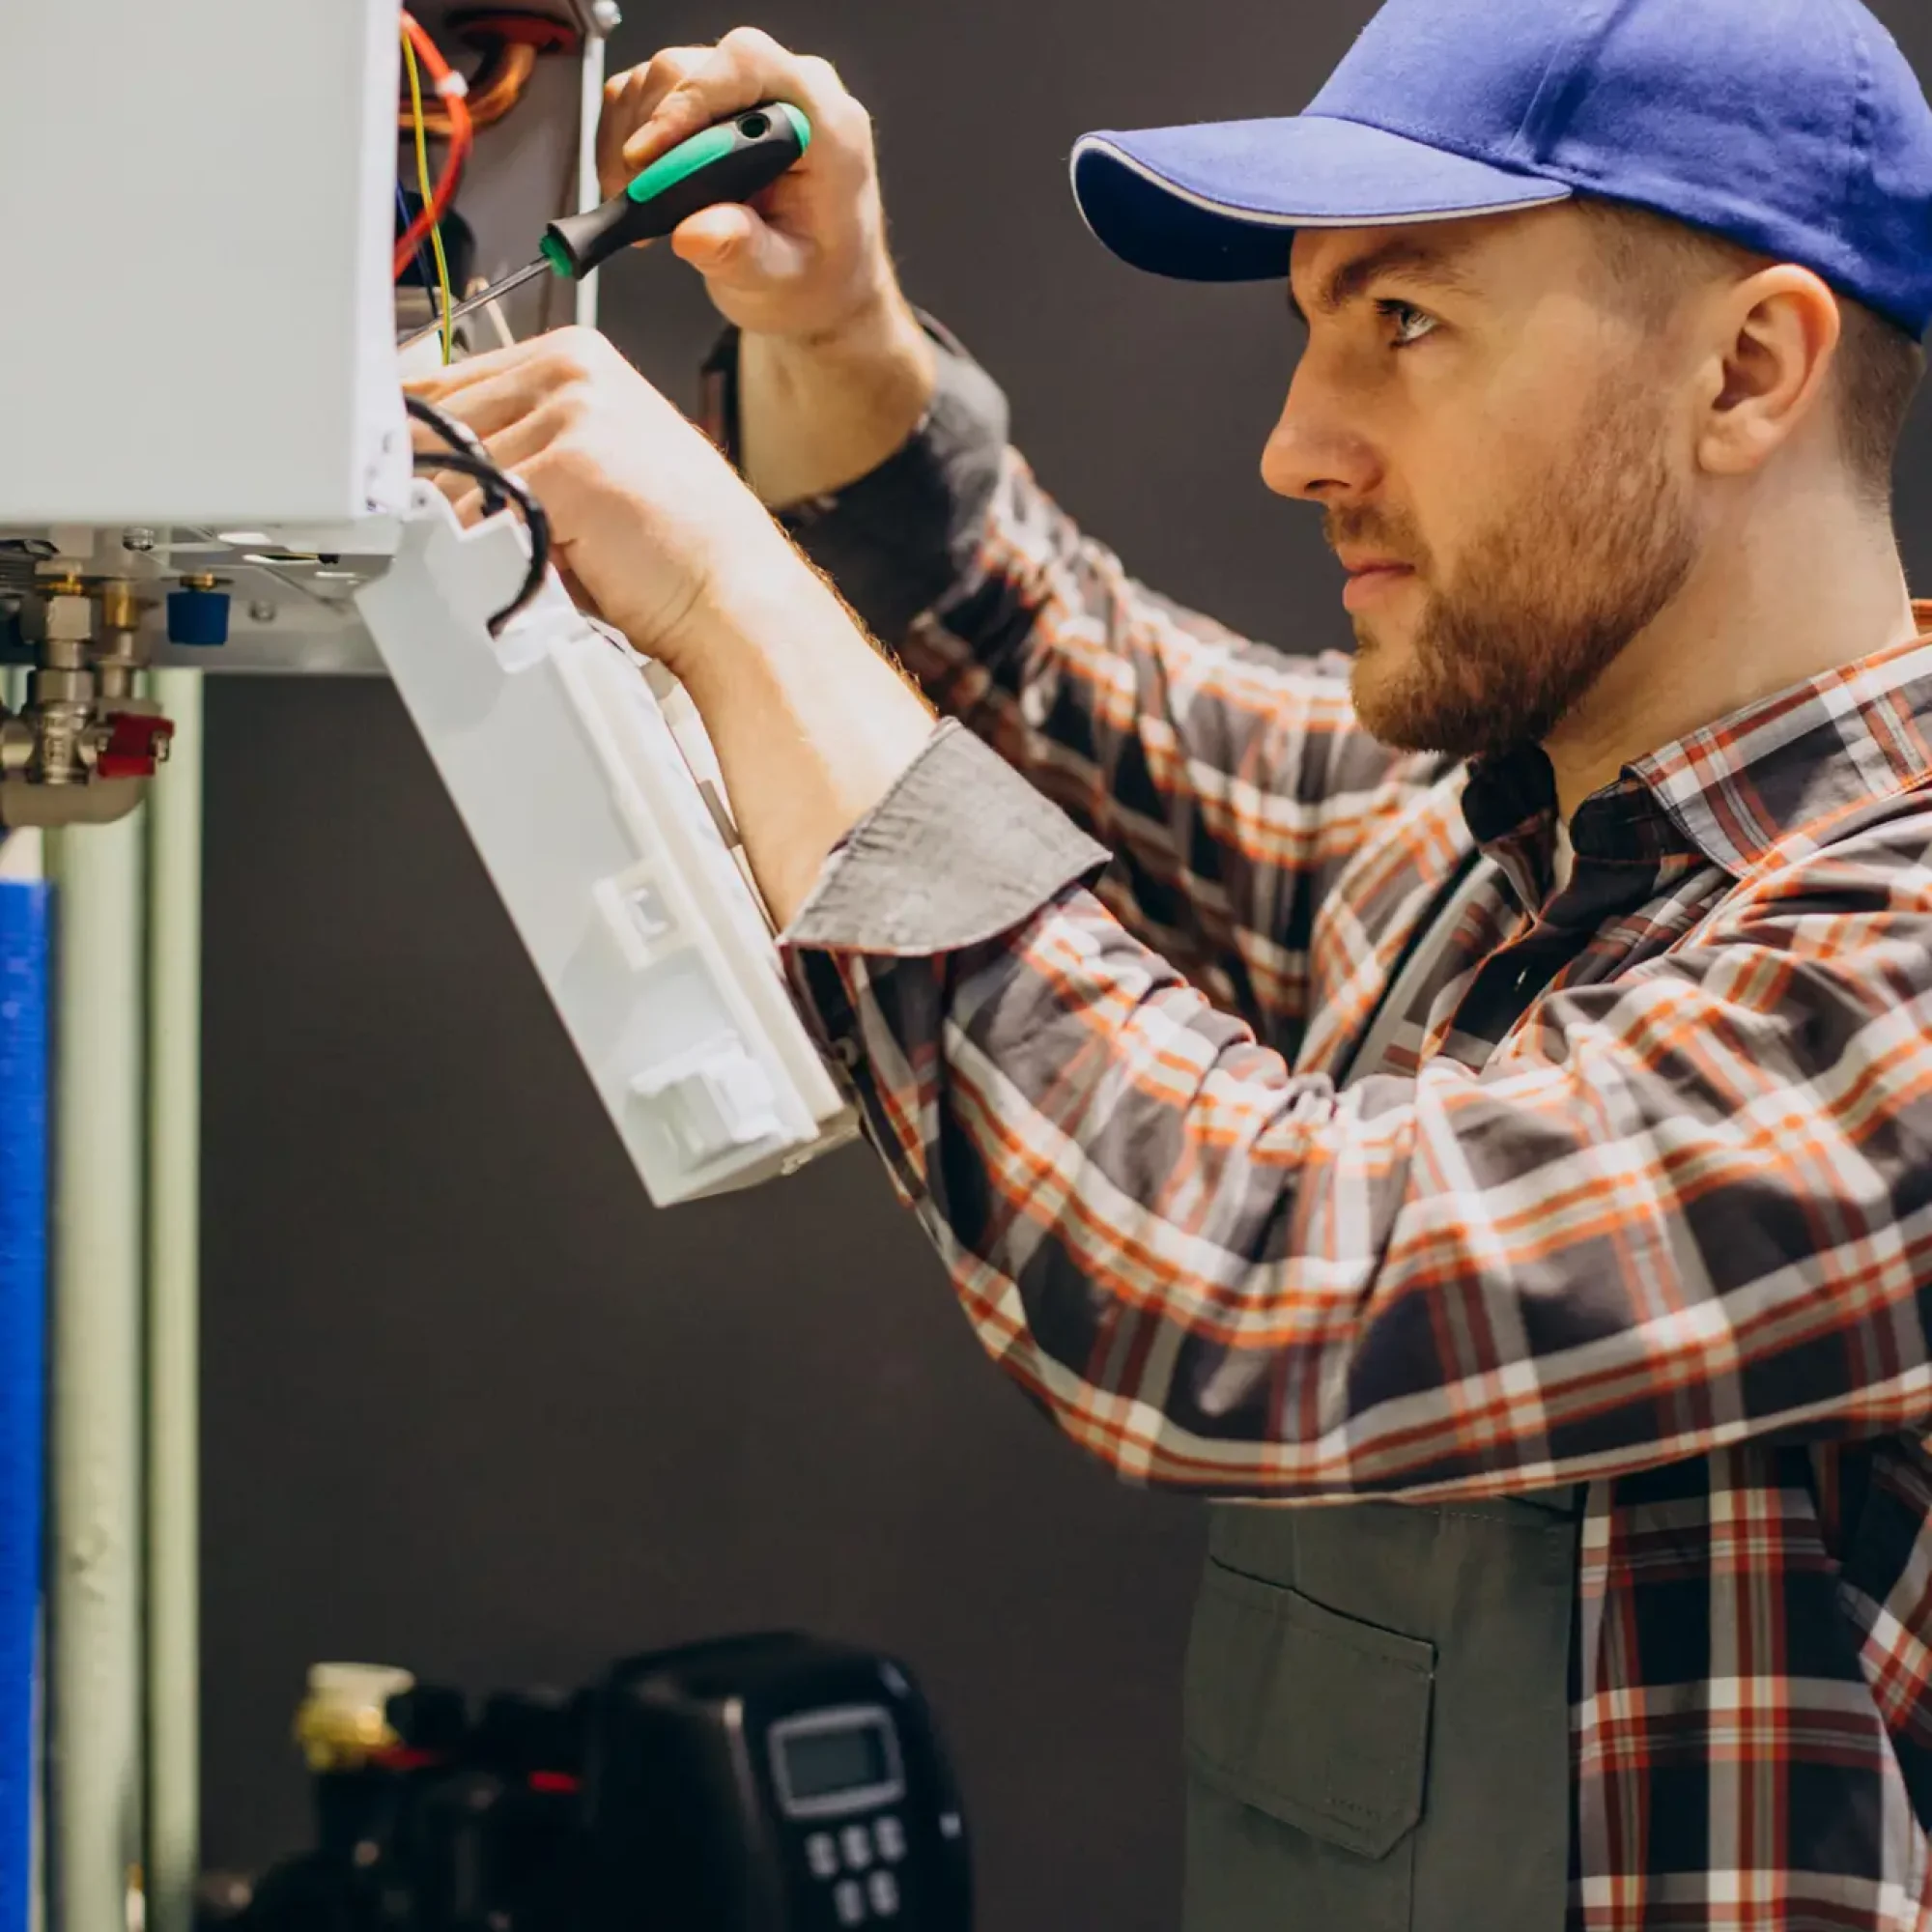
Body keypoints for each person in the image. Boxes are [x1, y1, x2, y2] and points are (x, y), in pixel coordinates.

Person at [411, 0, 1932, 1922]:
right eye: (1310, 326)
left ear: (1746, 368)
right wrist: (839, 348)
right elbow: (1111, 708)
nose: (1299, 443)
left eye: (1404, 323)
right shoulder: (1499, 843)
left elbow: (1258, 1278)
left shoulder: (1889, 969)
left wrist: (725, 593)